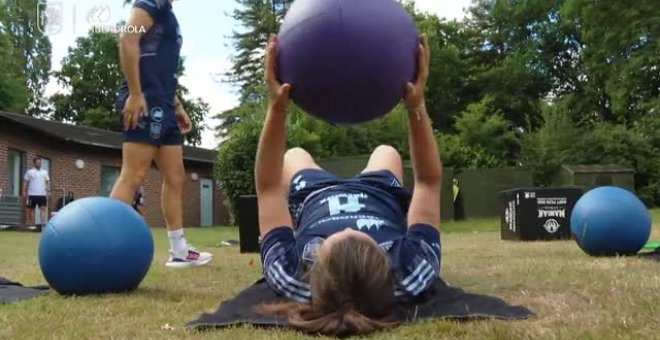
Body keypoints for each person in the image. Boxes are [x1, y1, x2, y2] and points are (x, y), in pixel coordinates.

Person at [255, 34, 442, 337]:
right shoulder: (411, 271)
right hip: (377, 191)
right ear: (386, 264)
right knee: (386, 151)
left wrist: (276, 108)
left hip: (315, 194)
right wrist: (416, 106)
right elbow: (429, 182)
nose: (343, 229)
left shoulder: (290, 275)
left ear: (313, 269)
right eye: (363, 237)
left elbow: (268, 188)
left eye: (333, 238)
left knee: (294, 154)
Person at [110, 0, 212, 268]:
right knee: (133, 174)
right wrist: (134, 93)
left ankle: (179, 250)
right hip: (144, 101)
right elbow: (128, 39)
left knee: (176, 177)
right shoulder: (147, 3)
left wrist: (177, 105)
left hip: (164, 104)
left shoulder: (168, 13)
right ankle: (105, 245)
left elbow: (161, 67)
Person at [23, 157, 50, 228]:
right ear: (34, 163)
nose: (39, 164)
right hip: (32, 194)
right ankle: (33, 225)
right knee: (31, 209)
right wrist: (24, 191)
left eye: (40, 162)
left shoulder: (44, 172)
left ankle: (43, 225)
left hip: (42, 194)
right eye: (37, 162)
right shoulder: (29, 172)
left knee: (43, 209)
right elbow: (25, 182)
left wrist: (48, 189)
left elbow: (47, 181)